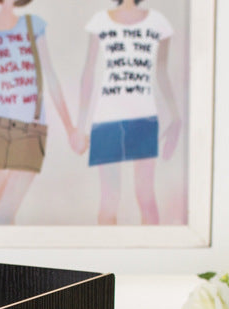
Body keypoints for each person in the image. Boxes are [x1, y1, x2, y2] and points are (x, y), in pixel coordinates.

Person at [0, 0, 79, 225]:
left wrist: (70, 128)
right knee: (3, 214)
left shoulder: (33, 25)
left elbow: (50, 76)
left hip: (31, 126)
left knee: (3, 215)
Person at [75, 0, 181, 225]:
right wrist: (80, 127)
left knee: (145, 196)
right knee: (109, 200)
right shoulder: (100, 21)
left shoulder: (158, 22)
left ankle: (151, 257)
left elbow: (162, 72)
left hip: (143, 117)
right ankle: (102, 259)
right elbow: (88, 73)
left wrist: (176, 117)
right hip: (106, 118)